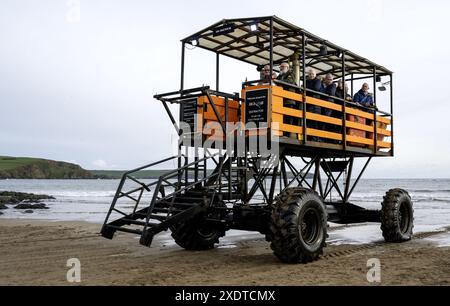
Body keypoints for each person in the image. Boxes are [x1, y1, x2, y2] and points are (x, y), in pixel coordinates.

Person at [276, 62, 299, 139]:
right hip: (281, 100)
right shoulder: (280, 76)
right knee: (282, 118)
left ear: (287, 67)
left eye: (283, 67)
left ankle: (287, 135)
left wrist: (278, 83)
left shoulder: (291, 74)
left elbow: (289, 82)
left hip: (289, 100)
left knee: (288, 118)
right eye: (280, 67)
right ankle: (282, 133)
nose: (281, 68)